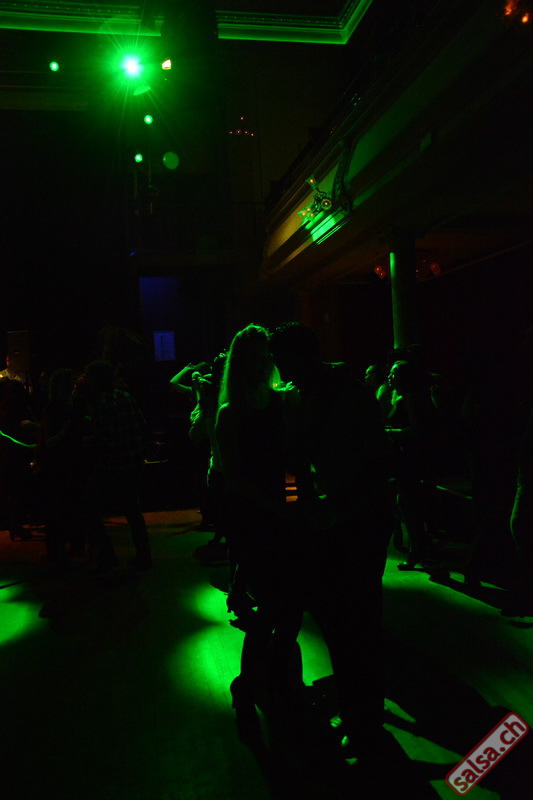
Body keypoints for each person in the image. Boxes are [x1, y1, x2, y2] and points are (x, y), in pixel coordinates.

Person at [268, 321, 394, 760]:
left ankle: (365, 722)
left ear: (301, 356)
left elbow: (379, 467)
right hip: (336, 522)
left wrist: (326, 507)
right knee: (347, 626)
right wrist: (297, 503)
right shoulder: (310, 393)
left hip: (357, 524)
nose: (280, 370)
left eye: (282, 360)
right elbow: (293, 464)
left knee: (356, 626)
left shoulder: (347, 395)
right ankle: (362, 717)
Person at [215, 324, 304, 741]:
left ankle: (268, 685)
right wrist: (284, 504)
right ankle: (251, 687)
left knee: (286, 610)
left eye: (265, 355)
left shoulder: (277, 403)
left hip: (275, 516)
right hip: (255, 521)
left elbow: (292, 463)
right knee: (272, 610)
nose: (263, 362)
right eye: (256, 357)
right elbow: (233, 478)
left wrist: (291, 503)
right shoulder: (232, 413)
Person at [81, 359, 151, 572]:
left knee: (89, 507)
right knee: (133, 511)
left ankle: (107, 556)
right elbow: (143, 427)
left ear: (96, 380)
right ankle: (144, 556)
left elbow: (106, 439)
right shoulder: (125, 396)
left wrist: (87, 441)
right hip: (133, 463)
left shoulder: (100, 403)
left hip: (112, 465)